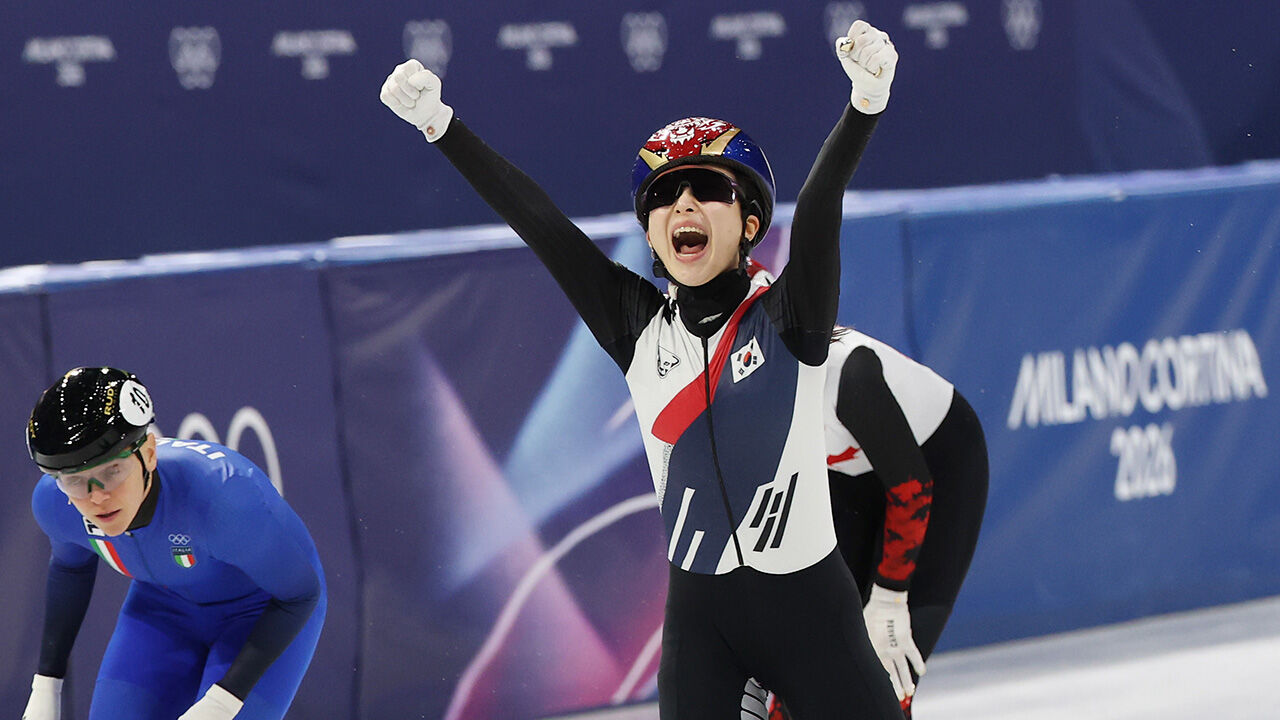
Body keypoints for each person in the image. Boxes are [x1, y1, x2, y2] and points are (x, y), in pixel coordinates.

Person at [382, 19, 904, 719]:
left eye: (705, 189)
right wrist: (439, 125)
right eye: (664, 195)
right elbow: (541, 224)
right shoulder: (636, 325)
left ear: (750, 224)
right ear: (651, 234)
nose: (682, 204)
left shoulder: (787, 315)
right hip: (701, 624)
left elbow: (819, 210)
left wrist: (864, 106)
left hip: (812, 614)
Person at [22, 368, 326, 720]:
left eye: (111, 472)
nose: (97, 498)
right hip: (163, 608)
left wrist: (223, 702)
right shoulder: (55, 504)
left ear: (149, 453)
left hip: (264, 609)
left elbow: (300, 595)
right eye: (75, 481)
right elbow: (70, 570)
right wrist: (46, 685)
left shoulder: (225, 501)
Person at [745, 287, 988, 719]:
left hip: (935, 466)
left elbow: (912, 489)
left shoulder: (850, 376)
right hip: (849, 475)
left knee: (884, 670)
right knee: (808, 665)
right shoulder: (734, 396)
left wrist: (892, 597)